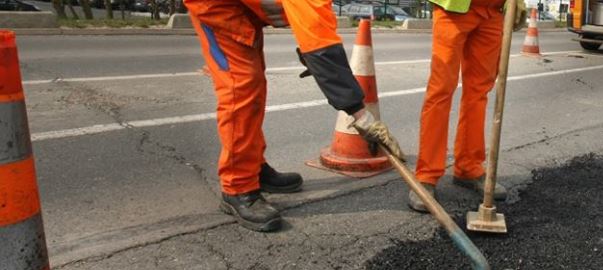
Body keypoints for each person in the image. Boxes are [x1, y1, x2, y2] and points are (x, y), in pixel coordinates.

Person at [184, 0, 404, 232]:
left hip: (243, 9)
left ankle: (253, 169)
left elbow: (314, 33)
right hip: (215, 7)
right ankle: (237, 186)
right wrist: (362, 118)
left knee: (254, 85)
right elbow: (319, 43)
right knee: (241, 89)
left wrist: (317, 58)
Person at [408, 0, 526, 212]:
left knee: (478, 92)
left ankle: (468, 167)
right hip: (455, 7)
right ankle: (426, 175)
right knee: (441, 90)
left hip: (493, 12)